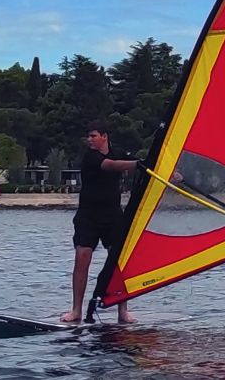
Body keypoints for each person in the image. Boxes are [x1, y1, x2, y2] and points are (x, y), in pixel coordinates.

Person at [60, 121, 137, 324]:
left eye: (93, 136)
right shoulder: (91, 157)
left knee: (118, 262)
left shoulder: (119, 152)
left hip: (112, 216)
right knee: (82, 257)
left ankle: (123, 311)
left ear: (104, 136)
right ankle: (76, 310)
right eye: (88, 136)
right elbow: (111, 166)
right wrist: (141, 164)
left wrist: (168, 172)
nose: (89, 139)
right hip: (88, 216)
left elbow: (142, 166)